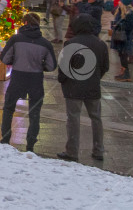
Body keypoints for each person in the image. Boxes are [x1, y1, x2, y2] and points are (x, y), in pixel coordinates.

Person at [0, 12, 57, 152]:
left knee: (8, 109)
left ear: (24, 23)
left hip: (18, 77)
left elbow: (4, 58)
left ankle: (5, 139)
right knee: (34, 112)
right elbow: (51, 65)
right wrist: (40, 65)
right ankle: (30, 144)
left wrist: (15, 61)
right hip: (36, 80)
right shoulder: (45, 43)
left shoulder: (15, 39)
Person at [57, 14, 109, 162]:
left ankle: (72, 151)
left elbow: (63, 67)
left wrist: (63, 80)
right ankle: (98, 150)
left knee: (73, 119)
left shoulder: (70, 44)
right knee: (96, 118)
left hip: (73, 87)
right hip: (93, 87)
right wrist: (95, 78)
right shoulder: (101, 44)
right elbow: (105, 66)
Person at [111, 0, 133, 82]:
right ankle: (123, 72)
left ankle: (126, 74)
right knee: (121, 55)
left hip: (124, 38)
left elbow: (130, 26)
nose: (118, 2)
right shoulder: (120, 11)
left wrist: (118, 25)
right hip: (119, 37)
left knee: (124, 55)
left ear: (124, 3)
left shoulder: (129, 13)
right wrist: (114, 24)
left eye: (120, 1)